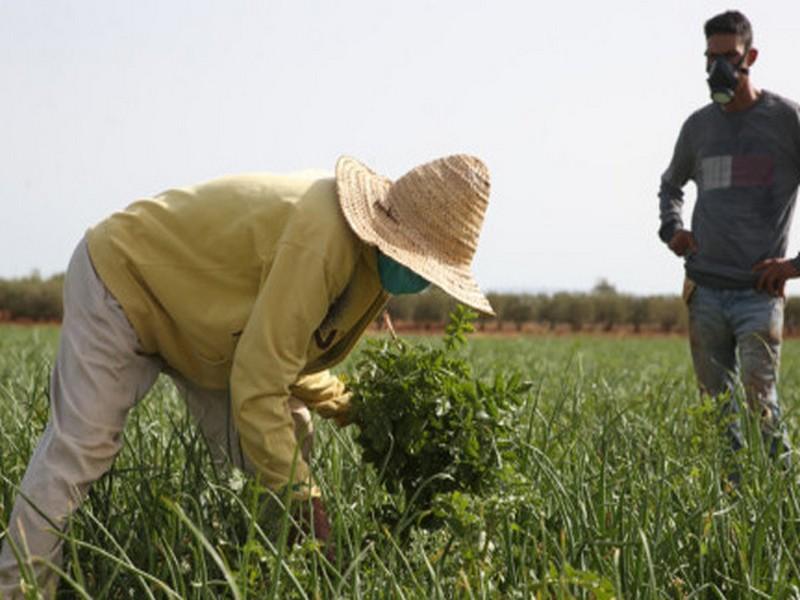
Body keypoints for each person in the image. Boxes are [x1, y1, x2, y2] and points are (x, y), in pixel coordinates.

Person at [0, 154, 495, 597]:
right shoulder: (322, 242)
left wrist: (349, 405)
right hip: (124, 280)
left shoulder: (371, 264)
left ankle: (259, 577)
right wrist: (307, 506)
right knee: (81, 447)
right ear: (395, 235)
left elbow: (282, 355)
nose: (423, 279)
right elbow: (261, 384)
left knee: (277, 445)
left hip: (203, 326)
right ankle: (17, 587)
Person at [659, 10, 800, 466]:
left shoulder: (786, 121)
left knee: (763, 406)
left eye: (729, 56)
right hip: (705, 293)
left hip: (758, 294)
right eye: (710, 57)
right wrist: (673, 229)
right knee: (716, 414)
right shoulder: (698, 127)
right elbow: (670, 185)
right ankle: (729, 509)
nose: (718, 67)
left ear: (751, 57)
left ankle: (782, 507)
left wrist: (794, 267)